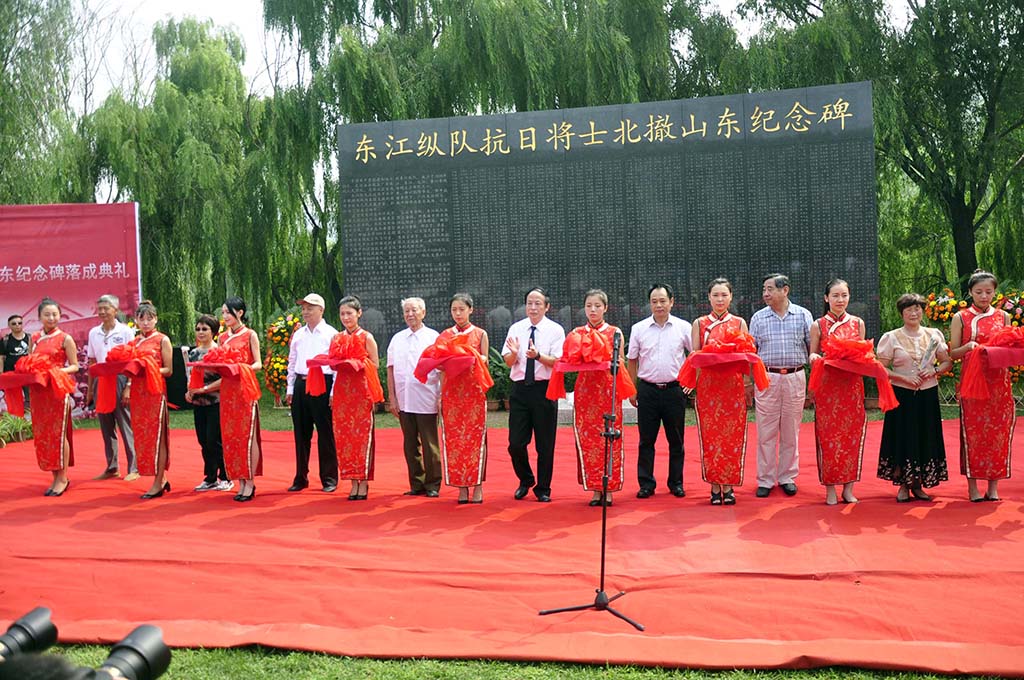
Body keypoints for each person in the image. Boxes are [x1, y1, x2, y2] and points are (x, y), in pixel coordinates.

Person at [876, 294, 951, 502]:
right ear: (902, 313)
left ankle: (918, 484)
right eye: (909, 309)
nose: (913, 313)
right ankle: (903, 484)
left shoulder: (934, 334)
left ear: (923, 311)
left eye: (917, 309)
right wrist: (903, 377)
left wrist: (935, 371)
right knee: (903, 436)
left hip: (927, 393)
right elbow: (880, 367)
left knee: (925, 435)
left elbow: (947, 362)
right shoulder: (891, 337)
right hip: (902, 394)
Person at [949, 270, 1014, 502]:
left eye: (989, 292)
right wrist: (969, 348)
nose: (984, 296)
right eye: (979, 292)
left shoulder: (1004, 317)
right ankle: (972, 487)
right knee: (973, 433)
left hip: (999, 382)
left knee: (998, 432)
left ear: (995, 292)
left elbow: (1010, 346)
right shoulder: (961, 317)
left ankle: (993, 486)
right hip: (972, 381)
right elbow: (953, 352)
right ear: (969, 293)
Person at [749, 273, 813, 498]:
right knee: (765, 430)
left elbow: (810, 347)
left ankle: (787, 477)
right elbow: (751, 352)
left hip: (795, 376)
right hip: (767, 378)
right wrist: (751, 382)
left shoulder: (803, 315)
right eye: (764, 289)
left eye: (769, 289)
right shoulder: (758, 318)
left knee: (790, 430)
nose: (765, 294)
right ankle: (765, 479)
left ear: (784, 290)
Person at [565, 289, 630, 506]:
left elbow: (620, 362)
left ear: (606, 307)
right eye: (589, 306)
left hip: (608, 392)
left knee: (610, 439)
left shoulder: (614, 332)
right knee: (589, 440)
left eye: (597, 306)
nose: (593, 310)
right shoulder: (577, 333)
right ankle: (594, 488)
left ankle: (609, 489)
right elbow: (570, 360)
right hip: (585, 393)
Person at [690, 278, 751, 506]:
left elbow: (746, 356)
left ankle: (730, 484)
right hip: (709, 386)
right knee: (711, 437)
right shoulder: (700, 323)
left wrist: (746, 386)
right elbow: (695, 356)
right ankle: (715, 486)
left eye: (724, 295)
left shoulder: (739, 323)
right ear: (708, 297)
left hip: (732, 387)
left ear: (731, 297)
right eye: (715, 295)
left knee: (732, 437)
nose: (719, 299)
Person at [627, 283, 691, 499]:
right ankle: (646, 483)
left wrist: (691, 382)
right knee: (646, 440)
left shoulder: (683, 327)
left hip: (674, 390)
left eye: (663, 301)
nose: (659, 305)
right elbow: (632, 360)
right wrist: (632, 389)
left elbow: (695, 355)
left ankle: (676, 483)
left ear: (672, 302)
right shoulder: (639, 328)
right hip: (647, 390)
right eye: (654, 301)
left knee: (676, 440)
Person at [808, 279, 867, 505]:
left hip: (852, 386)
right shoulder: (818, 325)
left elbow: (863, 352)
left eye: (844, 295)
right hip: (828, 388)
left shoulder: (857, 323)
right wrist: (815, 358)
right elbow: (812, 354)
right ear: (826, 298)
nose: (840, 300)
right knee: (829, 437)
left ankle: (849, 488)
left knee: (851, 436)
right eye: (835, 296)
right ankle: (830, 489)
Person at [503, 287, 565, 502]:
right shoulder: (516, 328)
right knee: (516, 443)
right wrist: (513, 354)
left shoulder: (555, 330)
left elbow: (558, 361)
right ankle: (526, 479)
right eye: (529, 302)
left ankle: (543, 488)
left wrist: (538, 356)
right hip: (520, 390)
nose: (533, 307)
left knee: (545, 444)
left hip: (544, 390)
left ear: (547, 306)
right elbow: (508, 362)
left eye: (538, 303)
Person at [435, 293, 490, 504]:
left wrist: (476, 358)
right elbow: (439, 367)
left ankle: (477, 486)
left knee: (475, 440)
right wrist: (440, 394)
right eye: (454, 310)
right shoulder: (445, 336)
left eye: (461, 309)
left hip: (474, 394)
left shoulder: (480, 334)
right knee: (455, 441)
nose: (458, 314)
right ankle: (461, 486)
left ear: (470, 310)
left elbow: (484, 364)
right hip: (451, 394)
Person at [386, 297, 442, 498]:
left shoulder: (433, 337)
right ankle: (416, 483)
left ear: (423, 312)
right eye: (407, 311)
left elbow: (441, 368)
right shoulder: (397, 339)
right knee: (410, 444)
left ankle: (433, 483)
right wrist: (392, 397)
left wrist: (441, 395)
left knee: (429, 444)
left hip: (426, 397)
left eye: (414, 310)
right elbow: (390, 370)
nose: (410, 314)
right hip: (404, 399)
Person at [286, 293, 339, 493]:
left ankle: (329, 478)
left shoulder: (331, 333)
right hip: (301, 383)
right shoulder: (298, 334)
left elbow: (335, 366)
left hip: (322, 383)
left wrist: (333, 391)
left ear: (321, 310)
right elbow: (292, 362)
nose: (305, 312)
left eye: (310, 308)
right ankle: (301, 477)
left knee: (325, 432)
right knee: (301, 433)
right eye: (304, 308)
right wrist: (290, 388)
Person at [27, 299, 78, 496]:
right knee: (44, 436)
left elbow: (75, 366)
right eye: (47, 315)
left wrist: (54, 371)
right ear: (39, 317)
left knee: (59, 434)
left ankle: (62, 477)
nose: (51, 318)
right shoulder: (35, 338)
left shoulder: (65, 338)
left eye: (55, 314)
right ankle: (54, 475)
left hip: (57, 391)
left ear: (60, 315)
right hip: (40, 393)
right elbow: (31, 362)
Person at [84, 295, 138, 481]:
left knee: (125, 423)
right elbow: (92, 362)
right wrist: (90, 390)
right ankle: (112, 466)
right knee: (106, 425)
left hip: (121, 379)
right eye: (99, 309)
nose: (102, 312)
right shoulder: (94, 333)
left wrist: (129, 385)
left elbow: (133, 360)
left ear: (115, 310)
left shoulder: (125, 331)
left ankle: (134, 467)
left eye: (106, 308)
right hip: (101, 379)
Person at [332, 295, 380, 500]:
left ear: (359, 313)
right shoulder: (336, 338)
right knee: (345, 437)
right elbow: (332, 362)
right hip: (343, 391)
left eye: (349, 313)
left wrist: (359, 364)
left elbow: (375, 364)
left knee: (361, 436)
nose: (346, 317)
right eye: (342, 314)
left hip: (361, 391)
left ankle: (364, 481)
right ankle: (352, 481)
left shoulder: (366, 337)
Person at [217, 297, 263, 502]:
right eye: (224, 312)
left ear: (240, 313)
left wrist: (240, 368)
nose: (225, 316)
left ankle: (250, 482)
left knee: (247, 435)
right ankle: (239, 479)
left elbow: (258, 364)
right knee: (231, 436)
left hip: (245, 389)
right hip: (227, 391)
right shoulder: (221, 338)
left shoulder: (250, 335)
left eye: (229, 312)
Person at [127, 300, 173, 500]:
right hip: (138, 394)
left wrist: (148, 369)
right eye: (142, 319)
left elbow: (169, 370)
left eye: (150, 318)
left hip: (155, 392)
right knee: (143, 437)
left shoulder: (162, 339)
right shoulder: (134, 342)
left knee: (158, 437)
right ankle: (159, 479)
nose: (146, 322)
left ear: (156, 319)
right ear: (136, 321)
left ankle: (158, 480)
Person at [185, 314, 230, 493]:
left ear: (213, 332)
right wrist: (189, 391)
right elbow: (191, 377)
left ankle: (225, 476)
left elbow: (225, 380)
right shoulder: (194, 352)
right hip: (199, 403)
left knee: (214, 440)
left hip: (216, 401)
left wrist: (204, 389)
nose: (201, 332)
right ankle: (210, 477)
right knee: (203, 440)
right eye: (198, 329)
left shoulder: (219, 351)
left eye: (205, 329)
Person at [1, 314, 31, 411]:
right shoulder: (5, 340)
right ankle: (16, 421)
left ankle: (29, 421)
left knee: (29, 399)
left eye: (20, 323)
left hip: (26, 374)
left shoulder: (30, 338)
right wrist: (1, 373)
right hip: (11, 374)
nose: (17, 325)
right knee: (13, 399)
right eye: (14, 324)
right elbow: (1, 357)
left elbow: (33, 355)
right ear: (9, 326)